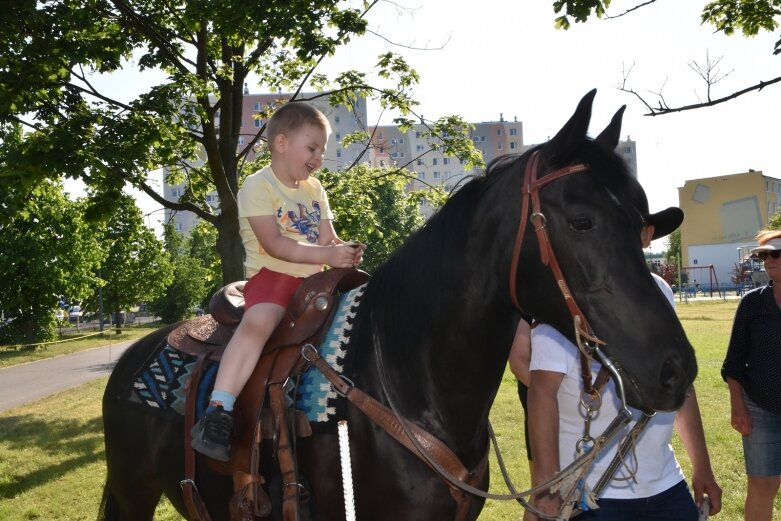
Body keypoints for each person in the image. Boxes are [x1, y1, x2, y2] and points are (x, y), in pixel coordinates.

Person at [191, 102, 365, 462]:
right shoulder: (258, 186)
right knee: (259, 323)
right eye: (312, 147)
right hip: (273, 276)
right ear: (282, 143)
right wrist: (327, 256)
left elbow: (326, 238)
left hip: (314, 283)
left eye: (322, 150)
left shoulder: (315, 189)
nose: (319, 157)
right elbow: (275, 244)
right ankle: (218, 409)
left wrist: (343, 251)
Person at [523, 212, 722, 521]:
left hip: (666, 484)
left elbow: (679, 384)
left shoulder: (662, 292)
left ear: (647, 234)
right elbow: (542, 392)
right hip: (592, 492)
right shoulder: (564, 299)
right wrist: (546, 489)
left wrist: (703, 466)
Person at [722, 230, 781, 521]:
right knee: (761, 484)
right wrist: (738, 406)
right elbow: (733, 363)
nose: (769, 259)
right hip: (760, 407)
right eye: (764, 254)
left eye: (777, 253)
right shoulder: (752, 303)